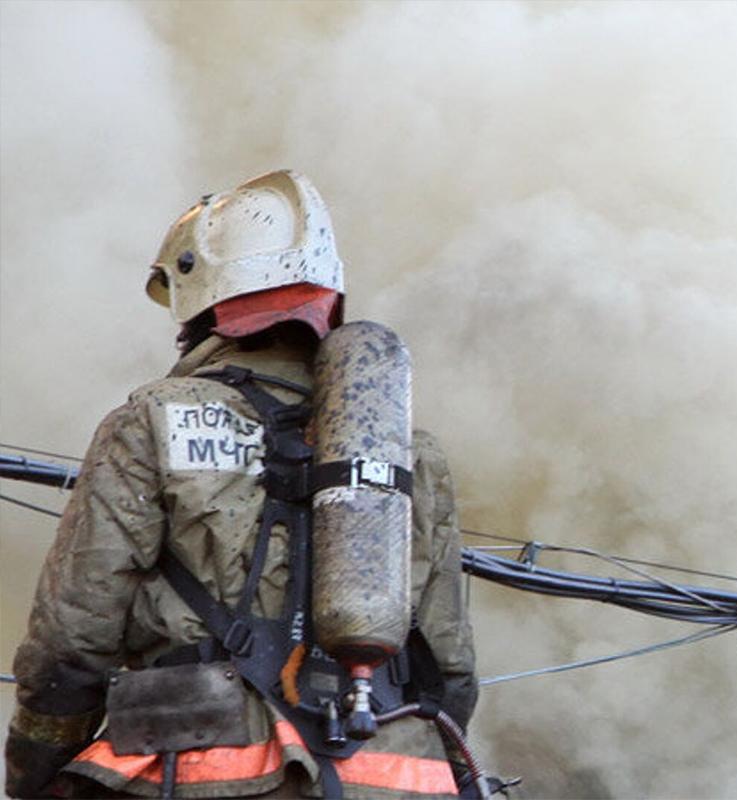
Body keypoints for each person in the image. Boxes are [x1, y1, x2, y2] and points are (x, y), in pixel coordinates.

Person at [4, 170, 478, 799]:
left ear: (198, 296)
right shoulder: (409, 452)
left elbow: (70, 642)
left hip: (196, 771)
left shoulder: (152, 420)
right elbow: (450, 670)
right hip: (389, 779)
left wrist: (32, 773)